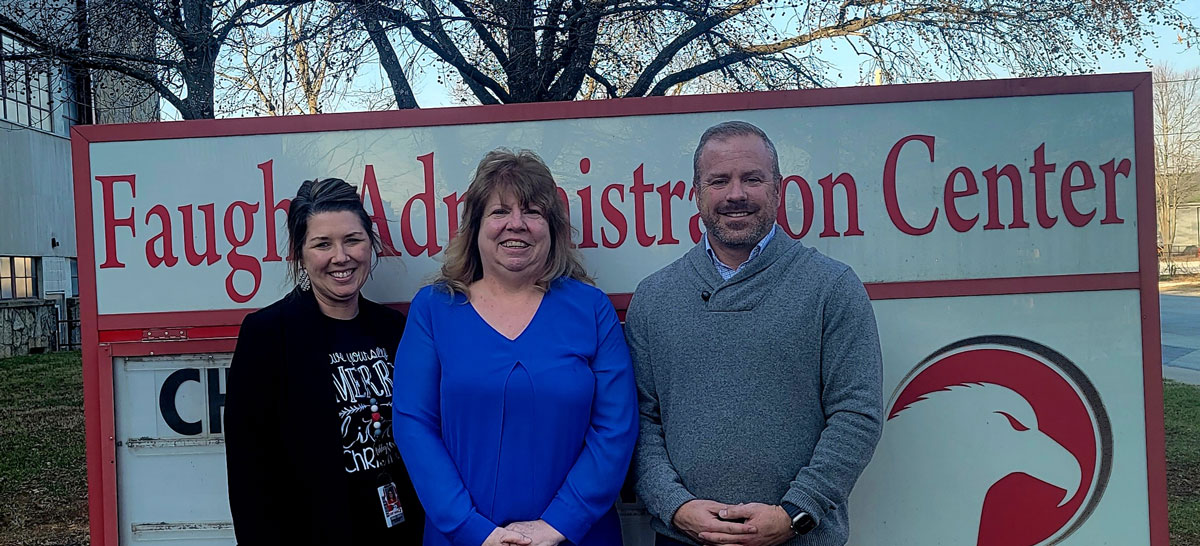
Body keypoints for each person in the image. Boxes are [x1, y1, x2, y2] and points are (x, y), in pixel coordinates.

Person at [626, 121, 884, 546]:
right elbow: (639, 420)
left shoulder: (832, 287)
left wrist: (795, 513)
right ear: (696, 194)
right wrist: (675, 506)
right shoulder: (655, 298)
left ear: (778, 190)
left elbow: (857, 416)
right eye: (719, 181)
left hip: (801, 538)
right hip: (684, 540)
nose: (736, 195)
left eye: (752, 178)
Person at [393, 149, 638, 546]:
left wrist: (558, 526)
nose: (516, 225)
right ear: (475, 226)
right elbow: (414, 424)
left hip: (577, 536)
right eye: (499, 212)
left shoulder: (591, 310)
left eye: (533, 212)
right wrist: (475, 531)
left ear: (552, 227)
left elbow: (615, 428)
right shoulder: (434, 309)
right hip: (463, 538)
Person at [224, 178, 424, 544]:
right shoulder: (268, 335)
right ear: (301, 253)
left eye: (352, 239)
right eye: (322, 244)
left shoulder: (395, 329)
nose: (341, 256)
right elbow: (249, 474)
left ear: (370, 244)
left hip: (401, 531)